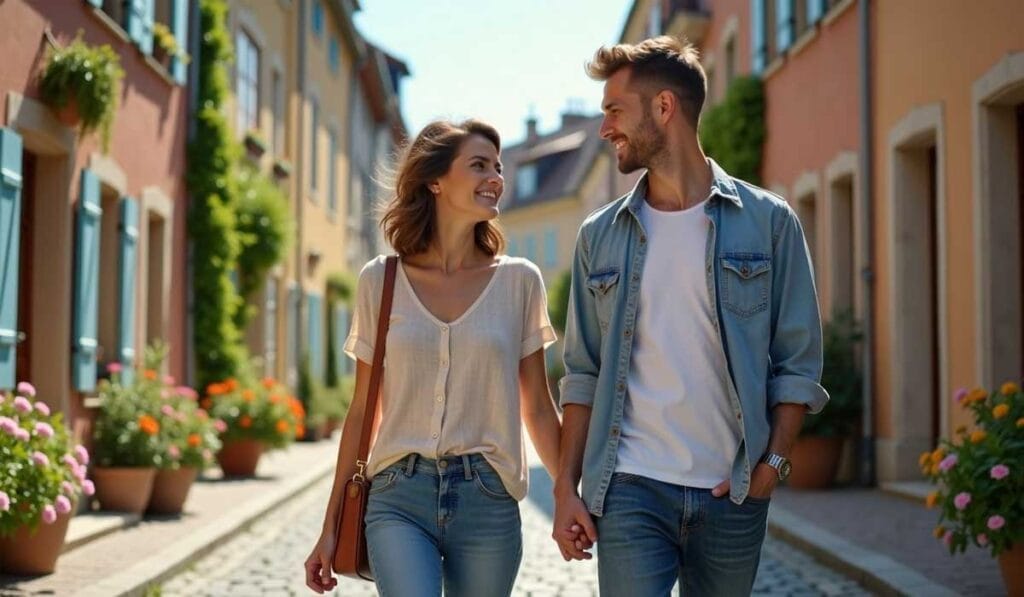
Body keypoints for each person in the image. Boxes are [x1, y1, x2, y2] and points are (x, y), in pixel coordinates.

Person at [551, 36, 829, 596]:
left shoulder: (769, 223)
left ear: (663, 108)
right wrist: (565, 489)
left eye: (613, 111)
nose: (604, 128)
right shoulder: (599, 237)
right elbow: (582, 372)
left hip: (733, 491)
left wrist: (773, 461)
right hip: (631, 488)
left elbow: (797, 358)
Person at [304, 119, 561, 597]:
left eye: (498, 167)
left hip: (488, 497)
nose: (496, 178)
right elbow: (363, 410)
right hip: (398, 495)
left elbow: (539, 407)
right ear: (435, 180)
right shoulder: (380, 280)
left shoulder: (519, 282)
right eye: (479, 165)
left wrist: (567, 495)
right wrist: (332, 525)